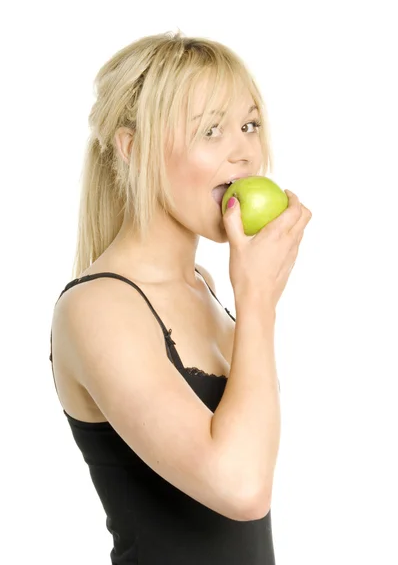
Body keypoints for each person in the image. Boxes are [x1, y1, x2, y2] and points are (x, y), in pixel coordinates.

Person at [49, 30, 312, 564]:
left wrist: (250, 297)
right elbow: (242, 488)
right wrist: (258, 302)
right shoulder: (97, 307)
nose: (244, 152)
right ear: (132, 148)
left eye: (249, 125)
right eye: (211, 131)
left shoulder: (206, 287)